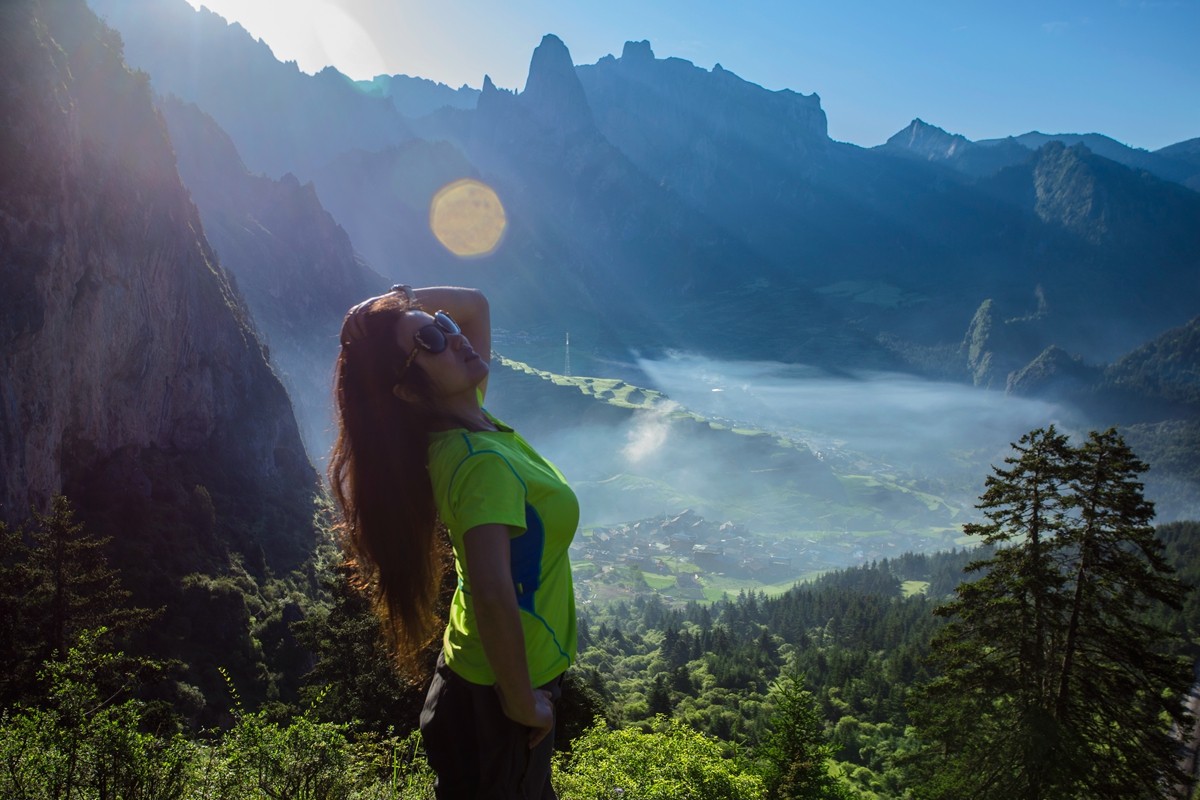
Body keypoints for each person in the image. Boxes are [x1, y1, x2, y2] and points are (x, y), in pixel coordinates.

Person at [328, 284, 578, 800]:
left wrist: (389, 303)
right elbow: (492, 591)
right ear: (409, 389)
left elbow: (477, 304)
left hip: (481, 678)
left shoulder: (462, 415)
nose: (455, 335)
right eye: (431, 340)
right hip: (502, 692)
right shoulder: (479, 463)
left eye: (443, 323)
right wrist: (523, 703)